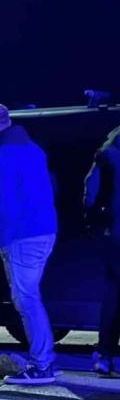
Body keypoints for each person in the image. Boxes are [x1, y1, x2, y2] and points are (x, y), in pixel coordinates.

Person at [0, 103, 58, 384]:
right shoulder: (34, 149)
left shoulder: (1, 161)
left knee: (26, 299)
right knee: (31, 296)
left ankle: (42, 364)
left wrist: (1, 241)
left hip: (22, 237)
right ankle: (45, 359)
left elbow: (3, 208)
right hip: (45, 230)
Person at [84, 125, 120, 375]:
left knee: (114, 292)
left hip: (114, 232)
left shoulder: (108, 152)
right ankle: (105, 353)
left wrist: (95, 222)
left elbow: (91, 191)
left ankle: (105, 353)